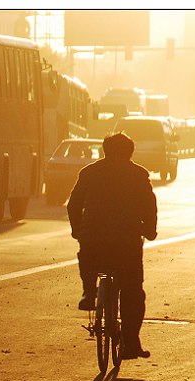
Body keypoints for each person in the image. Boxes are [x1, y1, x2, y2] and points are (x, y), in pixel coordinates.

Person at [67, 132, 158, 360]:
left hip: (94, 240)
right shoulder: (138, 174)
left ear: (104, 151)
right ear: (130, 153)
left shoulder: (89, 173)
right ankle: (131, 343)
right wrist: (150, 230)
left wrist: (77, 229)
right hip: (127, 243)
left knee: (88, 259)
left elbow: (73, 205)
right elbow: (150, 207)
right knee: (133, 292)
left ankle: (89, 292)